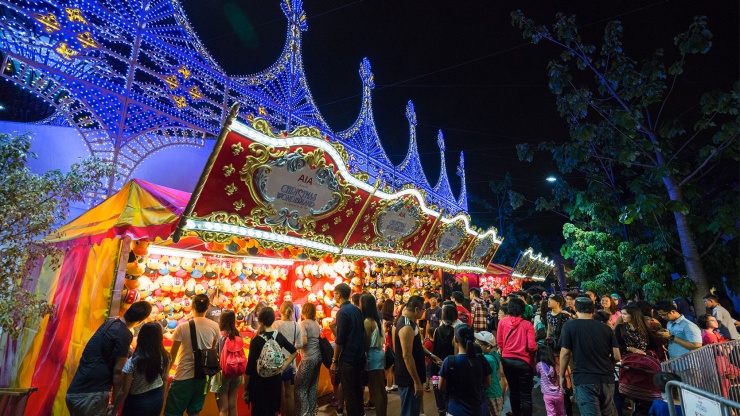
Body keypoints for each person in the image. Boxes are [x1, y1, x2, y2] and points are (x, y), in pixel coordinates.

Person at [66, 301, 152, 416]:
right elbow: (118, 370)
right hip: (91, 395)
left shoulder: (110, 323)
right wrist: (114, 402)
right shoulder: (124, 334)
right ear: (140, 322)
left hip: (76, 390)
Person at [559, 297, 621, 416]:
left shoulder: (569, 326)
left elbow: (565, 353)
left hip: (584, 379)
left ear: (576, 309)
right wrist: (609, 364)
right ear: (593, 310)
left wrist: (561, 375)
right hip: (607, 378)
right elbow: (617, 356)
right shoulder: (606, 328)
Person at [164, 294, 220, 416]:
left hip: (183, 376)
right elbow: (211, 350)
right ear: (208, 307)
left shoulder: (182, 327)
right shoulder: (215, 326)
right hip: (203, 377)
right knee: (195, 411)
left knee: (173, 412)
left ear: (192, 306)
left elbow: (172, 356)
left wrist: (165, 373)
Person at [243, 306, 298, 416]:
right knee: (273, 410)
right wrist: (282, 367)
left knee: (259, 410)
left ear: (260, 320)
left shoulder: (256, 340)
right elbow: (294, 352)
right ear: (273, 319)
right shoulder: (278, 336)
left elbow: (250, 367)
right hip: (275, 379)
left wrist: (246, 389)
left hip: (258, 381)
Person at [395, 295, 442, 416]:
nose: (424, 312)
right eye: (423, 309)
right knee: (409, 411)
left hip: (411, 377)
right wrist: (416, 381)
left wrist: (430, 355)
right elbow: (407, 356)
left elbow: (417, 346)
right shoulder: (406, 327)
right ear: (416, 309)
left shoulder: (411, 323)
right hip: (408, 378)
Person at [438, 324, 492, 416]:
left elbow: (441, 387)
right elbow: (487, 383)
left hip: (455, 410)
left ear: (455, 339)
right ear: (474, 339)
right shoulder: (481, 360)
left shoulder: (450, 361)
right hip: (476, 410)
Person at [331, 283, 366, 416]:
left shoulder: (342, 312)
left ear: (338, 294)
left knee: (350, 394)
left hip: (348, 358)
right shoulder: (356, 310)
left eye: (334, 293)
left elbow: (340, 339)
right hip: (359, 357)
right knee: (357, 392)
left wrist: (334, 360)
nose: (334, 295)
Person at [496, 298, 536, 416]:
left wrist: (507, 350)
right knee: (526, 395)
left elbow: (499, 342)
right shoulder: (527, 324)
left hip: (507, 361)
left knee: (513, 391)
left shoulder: (502, 322)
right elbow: (532, 346)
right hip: (524, 362)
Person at [212, 310, 245, 416]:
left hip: (223, 372)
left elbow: (215, 352)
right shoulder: (238, 334)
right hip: (237, 371)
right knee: (233, 405)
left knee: (223, 408)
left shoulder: (219, 335)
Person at [361, 293, 388, 416]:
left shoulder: (367, 321)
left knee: (376, 389)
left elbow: (366, 342)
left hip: (372, 354)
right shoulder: (377, 319)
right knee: (381, 388)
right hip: (379, 353)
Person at [276, 300, 302, 416]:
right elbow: (300, 344)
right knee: (290, 394)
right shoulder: (296, 325)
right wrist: (291, 347)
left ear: (281, 310)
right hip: (291, 363)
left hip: (278, 362)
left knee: (280, 393)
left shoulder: (276, 325)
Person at [295, 303, 322, 416]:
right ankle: (311, 411)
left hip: (308, 358)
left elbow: (304, 341)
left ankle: (304, 413)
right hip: (317, 357)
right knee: (312, 386)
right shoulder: (316, 323)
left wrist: (294, 346)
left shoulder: (303, 323)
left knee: (300, 388)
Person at [432, 303, 457, 416]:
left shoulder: (436, 331)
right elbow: (455, 353)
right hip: (450, 368)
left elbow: (434, 349)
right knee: (449, 392)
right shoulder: (455, 333)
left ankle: (441, 411)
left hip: (436, 367)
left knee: (437, 391)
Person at [475, 331, 504, 416]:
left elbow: (486, 379)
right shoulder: (493, 353)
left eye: (479, 344)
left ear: (488, 346)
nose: (476, 345)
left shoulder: (488, 359)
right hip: (494, 391)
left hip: (491, 393)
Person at [535, 345, 565, 416]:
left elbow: (537, 373)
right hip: (559, 394)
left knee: (551, 413)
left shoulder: (539, 365)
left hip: (547, 395)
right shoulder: (557, 365)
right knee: (561, 413)